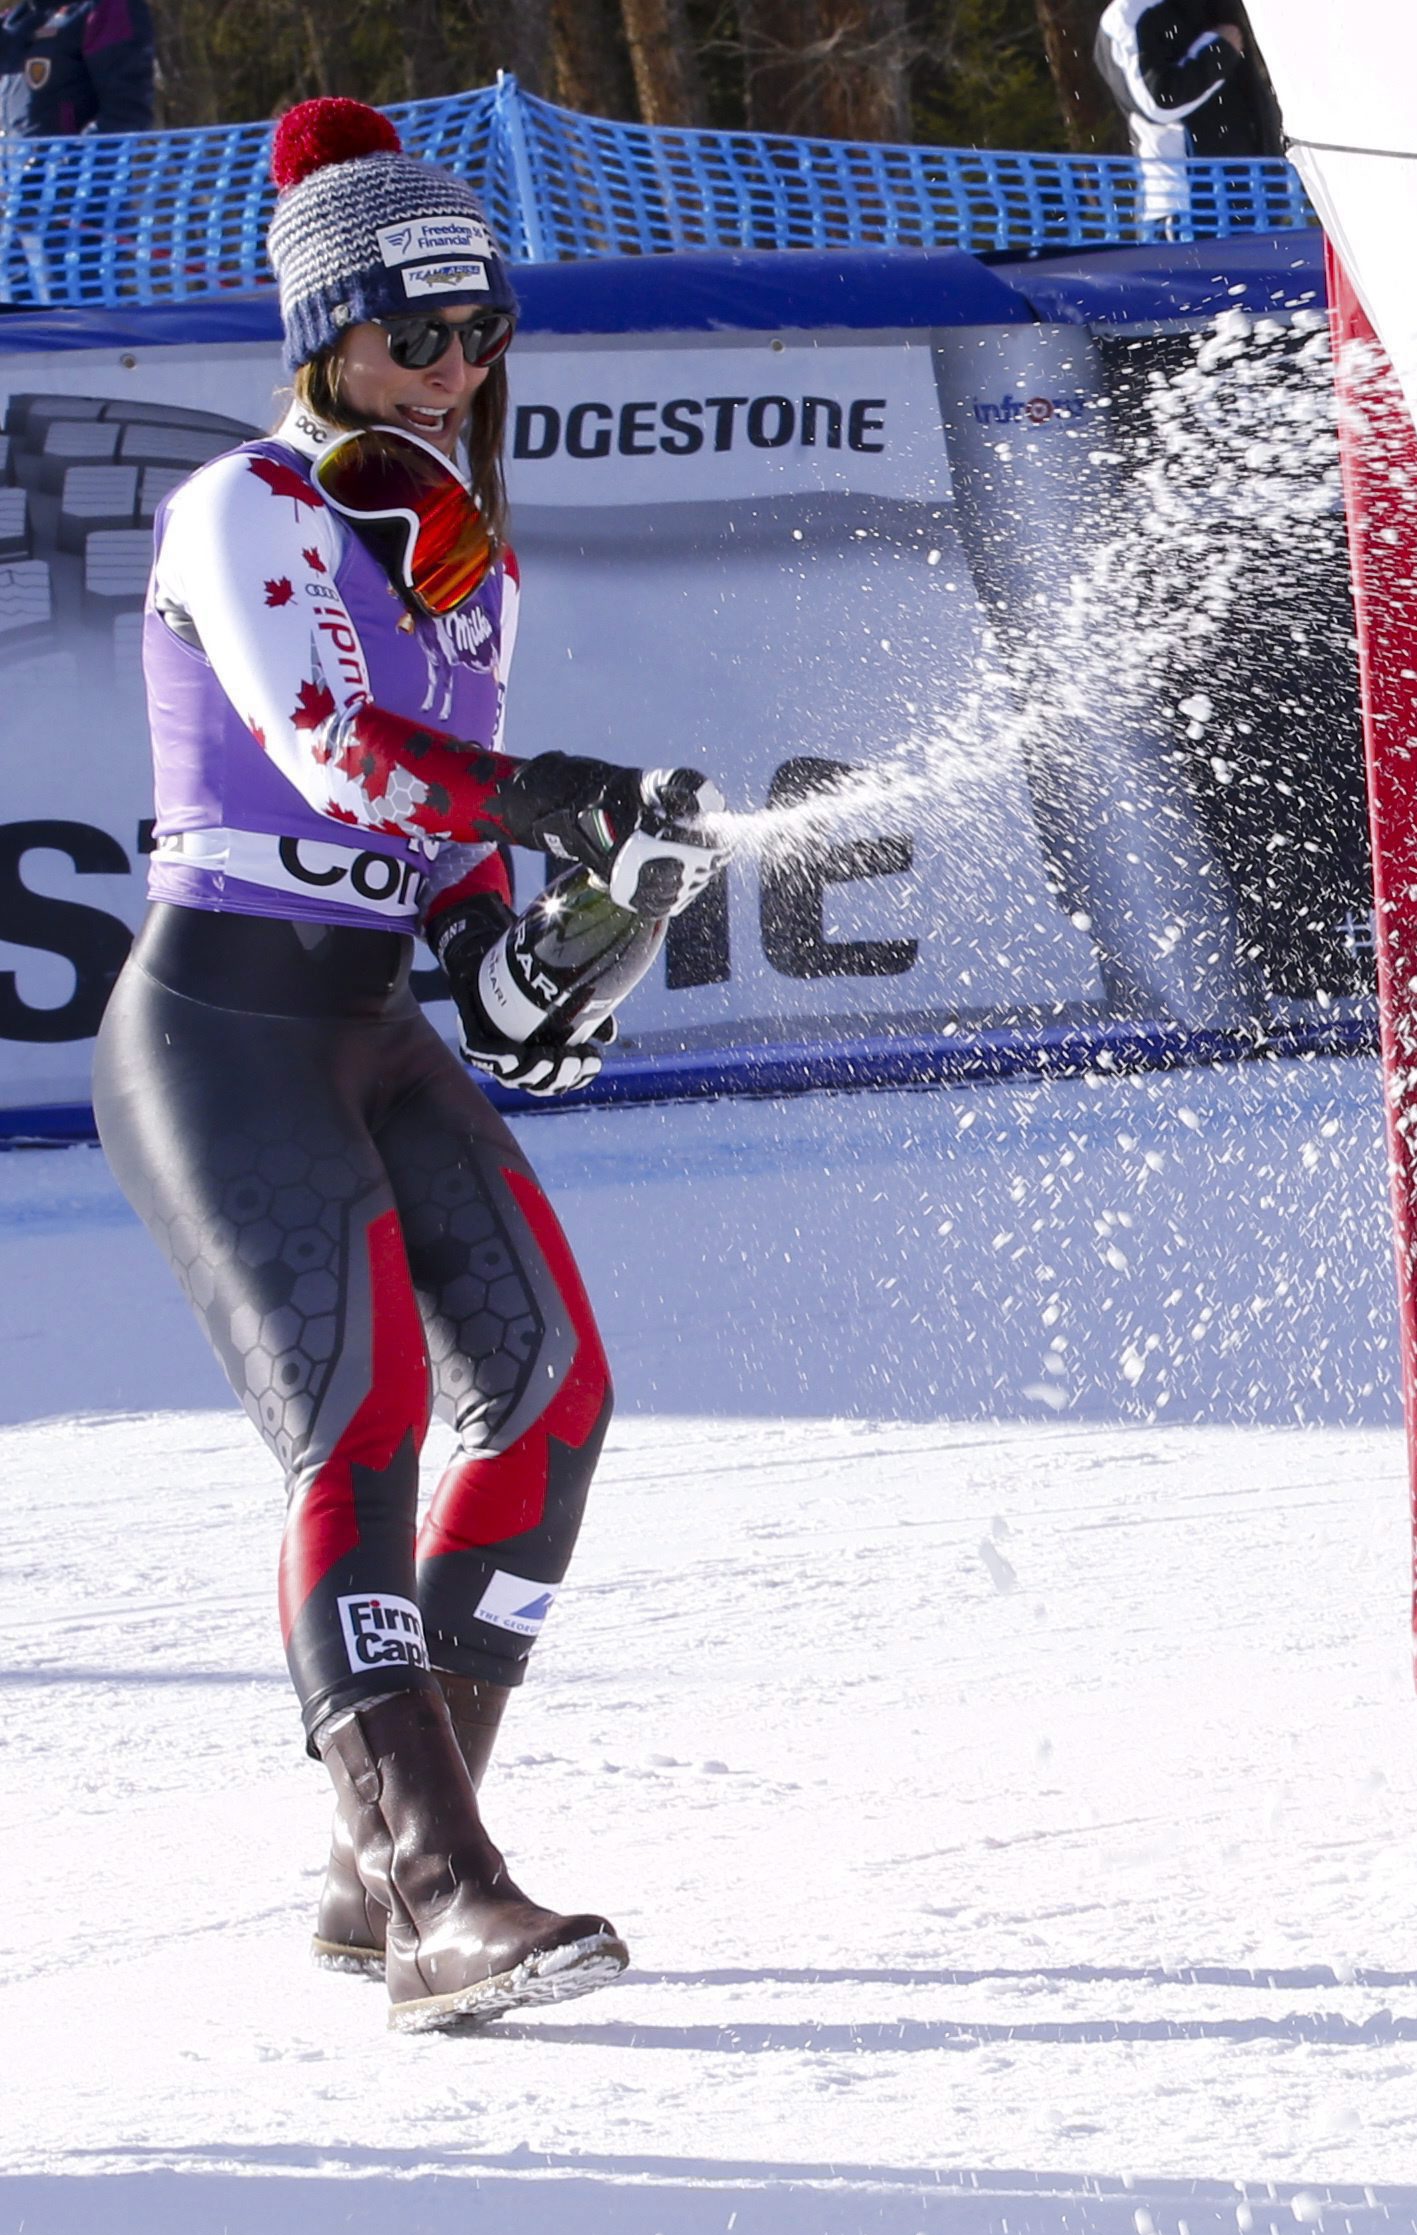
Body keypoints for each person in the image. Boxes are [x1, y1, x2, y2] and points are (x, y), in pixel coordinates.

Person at [93, 96, 722, 2032]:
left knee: (551, 1388)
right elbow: (343, 756)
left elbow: (443, 885)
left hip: (368, 1018)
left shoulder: (473, 566)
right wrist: (561, 800)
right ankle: (446, 1892)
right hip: (221, 1027)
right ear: (323, 343)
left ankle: (385, 1869)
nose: (453, 373)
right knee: (357, 1425)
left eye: (478, 332)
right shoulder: (242, 510)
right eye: (409, 336)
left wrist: (565, 957)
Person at [1095, 0, 1280, 235]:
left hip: (1257, 196)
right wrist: (1218, 50)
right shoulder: (1128, 15)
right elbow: (1160, 101)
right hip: (1187, 211)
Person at [0, 0, 153, 136]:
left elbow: (125, 110)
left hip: (74, 164)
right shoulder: (18, 17)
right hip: (17, 163)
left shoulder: (105, 7)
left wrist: (79, 160)